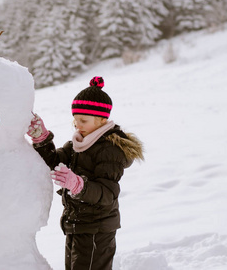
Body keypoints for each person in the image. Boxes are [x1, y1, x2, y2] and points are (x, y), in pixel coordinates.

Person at [27, 76, 144, 270]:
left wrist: (79, 185)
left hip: (97, 229)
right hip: (76, 224)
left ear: (101, 119)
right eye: (75, 120)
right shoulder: (78, 143)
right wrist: (42, 138)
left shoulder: (110, 150)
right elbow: (55, 163)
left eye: (83, 120)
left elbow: (108, 193)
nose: (77, 125)